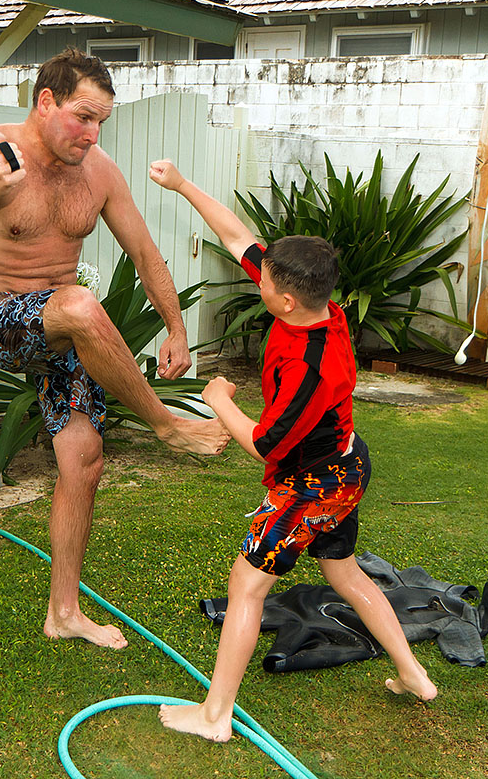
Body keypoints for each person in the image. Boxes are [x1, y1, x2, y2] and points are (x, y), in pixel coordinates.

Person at [0, 49, 229, 650]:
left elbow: (144, 253)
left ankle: (63, 611)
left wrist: (176, 329)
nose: (91, 135)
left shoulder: (99, 173)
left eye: (101, 123)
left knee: (84, 459)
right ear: (46, 102)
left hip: (65, 333)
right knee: (81, 305)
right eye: (82, 118)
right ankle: (167, 426)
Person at [148, 159, 438, 741]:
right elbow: (237, 236)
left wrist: (219, 398)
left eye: (263, 279)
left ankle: (215, 716)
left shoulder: (312, 366)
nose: (254, 274)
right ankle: (415, 676)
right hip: (345, 467)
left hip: (315, 486)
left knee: (246, 585)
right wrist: (182, 185)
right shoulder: (315, 304)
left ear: (282, 298)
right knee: (347, 576)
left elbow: (264, 444)